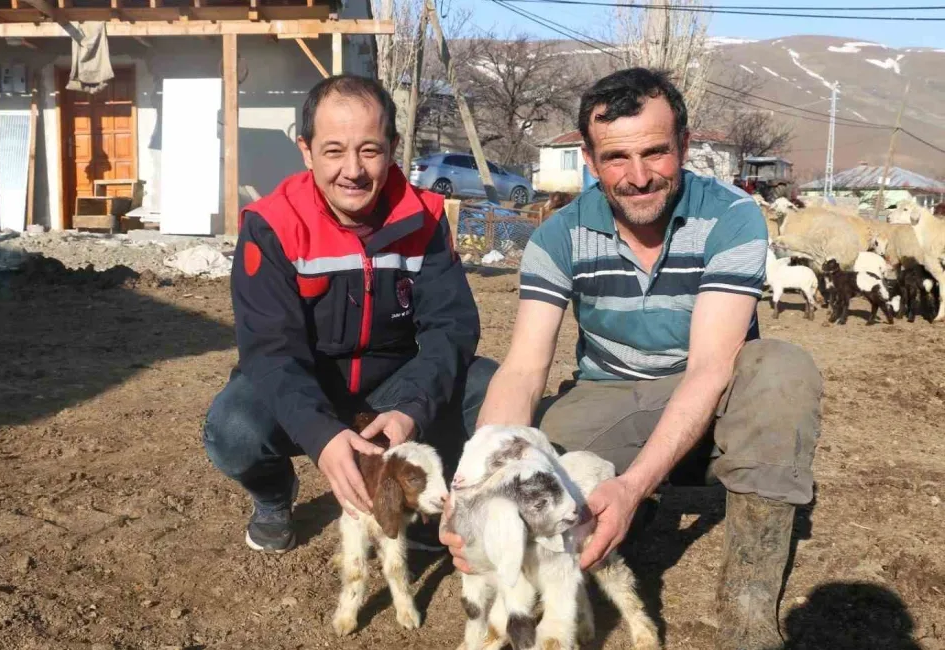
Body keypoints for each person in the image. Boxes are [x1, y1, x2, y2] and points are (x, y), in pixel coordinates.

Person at [441, 68, 822, 650]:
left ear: (684, 147)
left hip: (714, 390)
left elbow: (710, 368)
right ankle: (622, 519)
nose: (639, 176)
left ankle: (747, 601)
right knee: (542, 458)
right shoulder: (558, 236)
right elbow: (521, 368)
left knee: (782, 370)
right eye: (617, 157)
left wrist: (634, 484)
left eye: (655, 152)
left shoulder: (732, 217)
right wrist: (476, 489)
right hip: (611, 389)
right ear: (592, 163)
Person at [203, 75, 497, 554]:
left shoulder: (423, 217)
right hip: (307, 382)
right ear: (306, 150)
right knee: (233, 428)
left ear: (393, 147)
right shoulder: (271, 225)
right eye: (334, 150)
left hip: (393, 386)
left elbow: (452, 327)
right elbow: (271, 350)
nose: (353, 170)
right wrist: (322, 436)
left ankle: (420, 501)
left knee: (489, 388)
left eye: (370, 150)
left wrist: (412, 409)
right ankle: (275, 496)